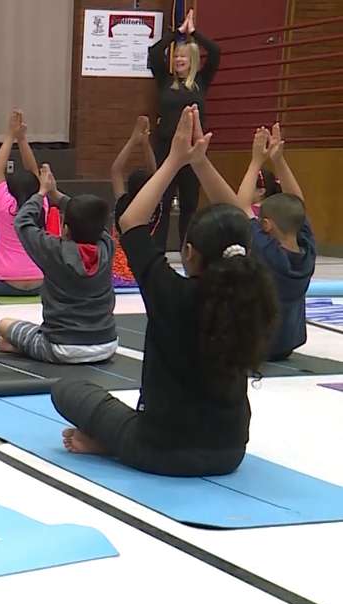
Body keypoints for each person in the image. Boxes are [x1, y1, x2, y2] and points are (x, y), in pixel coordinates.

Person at [52, 106, 278, 477]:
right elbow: (238, 217)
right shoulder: (253, 291)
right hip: (229, 452)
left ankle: (107, 444)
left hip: (159, 450)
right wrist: (201, 164)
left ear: (188, 253)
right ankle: (110, 442)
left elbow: (130, 222)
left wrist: (176, 161)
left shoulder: (170, 292)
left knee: (67, 390)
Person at [0, 165, 118, 364]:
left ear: (66, 227)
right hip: (107, 345)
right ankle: (26, 347)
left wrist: (42, 193)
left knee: (4, 325)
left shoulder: (54, 251)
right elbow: (92, 221)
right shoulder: (107, 246)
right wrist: (57, 195)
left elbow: (23, 223)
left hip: (62, 347)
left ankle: (27, 348)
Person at [232, 124, 315, 361]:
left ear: (267, 225)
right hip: (289, 342)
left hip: (259, 347)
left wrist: (255, 161)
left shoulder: (267, 250)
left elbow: (240, 206)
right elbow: (297, 202)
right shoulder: (307, 250)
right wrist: (279, 160)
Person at [148, 8, 221, 251]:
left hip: (192, 150)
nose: (179, 60)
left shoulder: (201, 81)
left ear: (192, 61)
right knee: (163, 199)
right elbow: (154, 52)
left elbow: (216, 52)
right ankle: (157, 250)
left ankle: (188, 249)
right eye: (177, 56)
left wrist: (194, 33)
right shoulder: (165, 80)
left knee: (190, 202)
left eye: (184, 57)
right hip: (166, 148)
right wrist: (176, 34)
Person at [0, 109, 44, 297]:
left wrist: (10, 136)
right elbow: (34, 171)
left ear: (9, 188)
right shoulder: (41, 203)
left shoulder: (3, 204)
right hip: (40, 284)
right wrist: (22, 139)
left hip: (4, 284)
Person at [109, 116, 163, 288]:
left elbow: (116, 171)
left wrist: (134, 139)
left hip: (116, 274)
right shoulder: (154, 208)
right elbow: (155, 173)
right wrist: (145, 143)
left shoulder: (123, 205)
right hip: (142, 271)